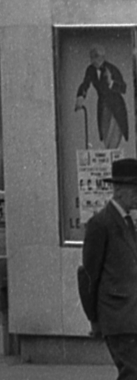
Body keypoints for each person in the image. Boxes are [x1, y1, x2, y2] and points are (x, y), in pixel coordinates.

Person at [80, 156, 137, 379]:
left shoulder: (127, 222)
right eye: (135, 189)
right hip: (118, 319)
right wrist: (93, 319)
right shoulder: (100, 224)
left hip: (129, 317)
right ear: (120, 190)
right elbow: (89, 276)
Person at [78, 50, 132, 150]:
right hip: (103, 106)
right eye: (92, 57)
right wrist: (81, 96)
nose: (94, 60)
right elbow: (85, 83)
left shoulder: (111, 69)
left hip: (116, 107)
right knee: (105, 133)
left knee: (114, 135)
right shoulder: (90, 70)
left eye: (96, 57)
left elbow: (123, 88)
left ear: (102, 57)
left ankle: (113, 160)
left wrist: (111, 82)